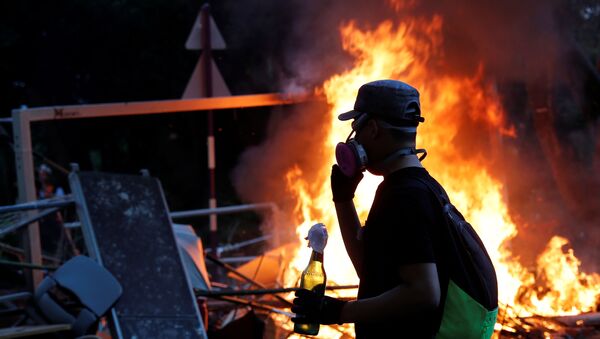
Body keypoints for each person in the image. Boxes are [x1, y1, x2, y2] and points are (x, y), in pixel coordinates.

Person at [292, 80, 498, 338]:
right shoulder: (422, 187)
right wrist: (343, 200)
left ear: (374, 128)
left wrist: (342, 312)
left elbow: (424, 293)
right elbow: (371, 272)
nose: (354, 138)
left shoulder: (404, 196)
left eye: (357, 127)